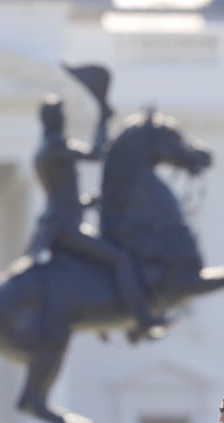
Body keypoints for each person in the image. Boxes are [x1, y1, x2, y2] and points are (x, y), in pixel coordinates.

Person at [25, 94, 165, 337]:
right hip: (66, 227)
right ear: (57, 120)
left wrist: (86, 202)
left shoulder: (43, 149)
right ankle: (140, 319)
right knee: (120, 258)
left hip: (59, 221)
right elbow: (97, 153)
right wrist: (103, 117)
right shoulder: (57, 146)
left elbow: (61, 195)